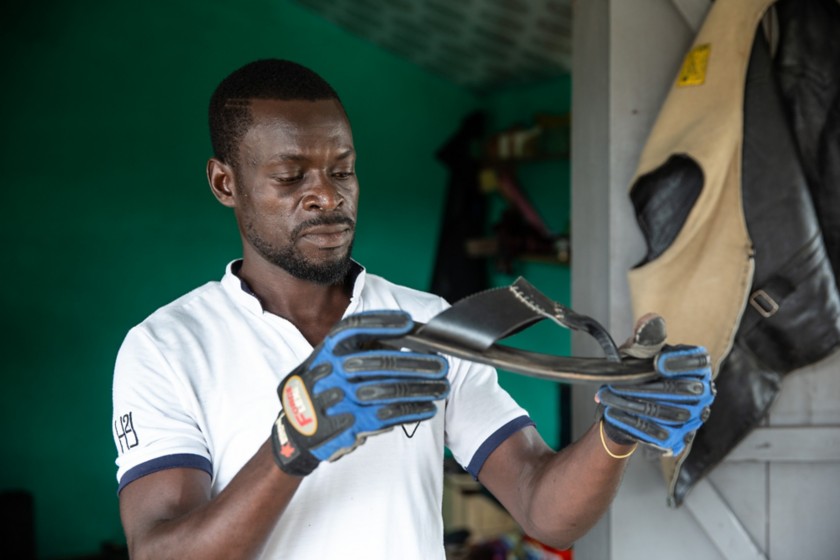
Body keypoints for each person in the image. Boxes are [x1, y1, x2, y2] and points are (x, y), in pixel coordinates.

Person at [112, 59, 715, 559]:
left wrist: (615, 432)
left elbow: (543, 508)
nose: (327, 193)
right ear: (226, 184)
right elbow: (159, 551)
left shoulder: (430, 322)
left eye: (342, 169)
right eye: (291, 176)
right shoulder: (167, 347)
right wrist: (293, 445)